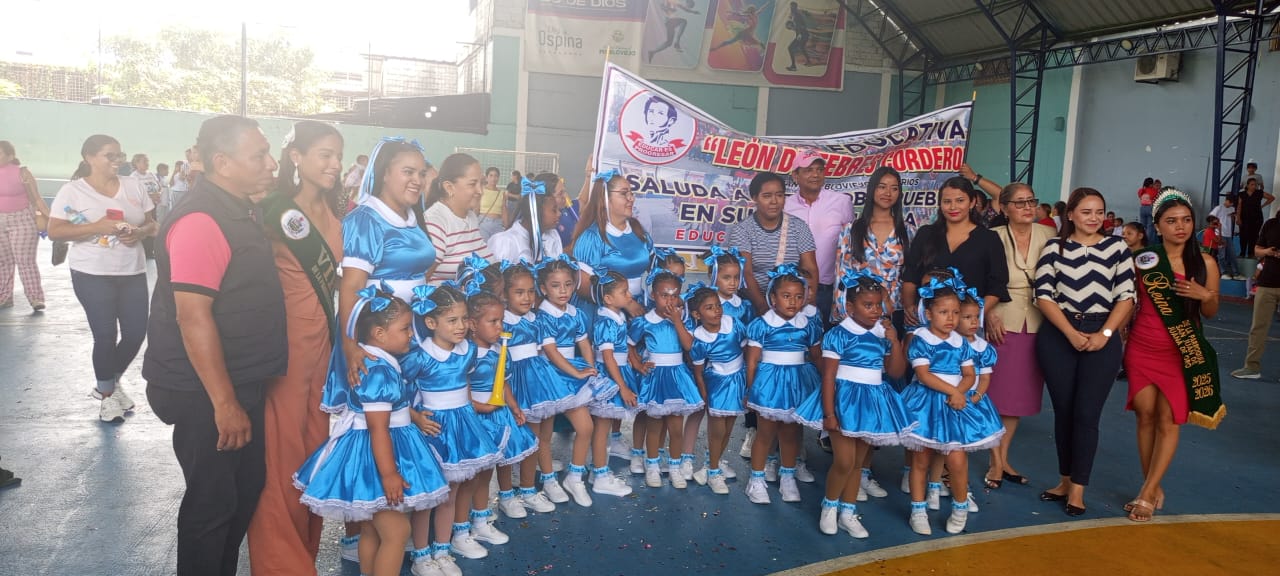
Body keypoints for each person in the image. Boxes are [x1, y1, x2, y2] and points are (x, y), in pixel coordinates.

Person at [143, 116, 285, 576]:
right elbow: (193, 316)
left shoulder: (237, 208)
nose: (271, 163)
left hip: (237, 378)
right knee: (212, 503)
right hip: (202, 388)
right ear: (222, 163)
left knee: (241, 491)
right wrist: (224, 404)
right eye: (259, 155)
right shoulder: (202, 220)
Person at [245, 121, 345, 576]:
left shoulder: (335, 212)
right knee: (281, 455)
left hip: (322, 347)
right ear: (296, 157)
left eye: (338, 155)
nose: (335, 164)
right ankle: (281, 564)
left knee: (313, 451)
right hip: (285, 348)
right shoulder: (272, 209)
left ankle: (304, 550)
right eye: (325, 154)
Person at [293, 289, 449, 576]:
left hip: (372, 453)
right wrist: (389, 474)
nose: (411, 335)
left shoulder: (379, 362)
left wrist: (412, 416)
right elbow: (378, 428)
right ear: (379, 333)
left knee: (371, 531)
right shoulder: (378, 371)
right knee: (397, 532)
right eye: (405, 328)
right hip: (377, 459)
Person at [1033, 187, 1135, 516]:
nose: (1094, 218)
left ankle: (1078, 488)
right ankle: (1064, 481)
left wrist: (1105, 334)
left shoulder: (1117, 248)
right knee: (1064, 412)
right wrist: (1069, 332)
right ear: (1071, 215)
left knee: (1087, 414)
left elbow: (1126, 296)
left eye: (1099, 212)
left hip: (1101, 334)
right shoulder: (1054, 247)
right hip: (1058, 335)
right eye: (1086, 211)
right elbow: (1043, 295)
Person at [1124, 189, 1223, 522]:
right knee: (1145, 414)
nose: (1180, 227)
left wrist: (1205, 294)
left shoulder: (1205, 262)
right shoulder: (1143, 260)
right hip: (1142, 345)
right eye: (1171, 221)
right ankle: (1150, 484)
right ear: (1157, 226)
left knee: (1168, 419)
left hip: (1181, 349)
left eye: (1186, 220)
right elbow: (1129, 302)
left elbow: (1210, 312)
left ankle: (1147, 492)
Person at [794, 269, 911, 538]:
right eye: (868, 305)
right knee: (844, 461)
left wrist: (894, 342)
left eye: (878, 305)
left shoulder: (883, 333)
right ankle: (829, 506)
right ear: (849, 307)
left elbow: (895, 372)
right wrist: (829, 413)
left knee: (858, 463)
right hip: (843, 400)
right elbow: (828, 376)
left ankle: (848, 513)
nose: (875, 311)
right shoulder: (839, 334)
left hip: (872, 400)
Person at [49, 134, 157, 423]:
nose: (117, 160)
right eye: (110, 155)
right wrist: (97, 227)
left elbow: (152, 224)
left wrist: (139, 232)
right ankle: (108, 397)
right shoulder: (73, 191)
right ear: (89, 157)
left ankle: (108, 382)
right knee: (106, 336)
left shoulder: (134, 185)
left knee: (135, 334)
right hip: (91, 273)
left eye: (120, 155)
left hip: (132, 271)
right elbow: (56, 230)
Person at [402, 284, 505, 567]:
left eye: (463, 319)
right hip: (434, 428)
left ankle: (443, 549)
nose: (461, 326)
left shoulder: (468, 350)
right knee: (429, 497)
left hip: (463, 424)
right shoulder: (420, 356)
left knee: (454, 492)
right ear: (431, 323)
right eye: (452, 320)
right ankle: (421, 556)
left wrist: (472, 407)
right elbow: (398, 392)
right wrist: (415, 417)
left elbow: (466, 383)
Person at [900, 276, 1002, 536]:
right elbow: (924, 375)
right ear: (928, 313)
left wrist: (960, 393)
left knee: (957, 460)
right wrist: (953, 392)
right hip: (926, 403)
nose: (951, 318)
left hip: (953, 403)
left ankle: (960, 507)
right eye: (944, 312)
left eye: (956, 313)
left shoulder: (960, 342)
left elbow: (969, 374)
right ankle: (918, 510)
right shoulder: (921, 339)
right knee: (921, 459)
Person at [982, 183, 1054, 490]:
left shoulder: (1049, 235)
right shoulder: (992, 237)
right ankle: (995, 461)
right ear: (1005, 208)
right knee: (996, 393)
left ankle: (1002, 458)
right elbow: (982, 280)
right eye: (1020, 202)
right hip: (1001, 320)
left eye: (1031, 201)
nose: (1027, 207)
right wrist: (988, 313)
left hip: (1037, 320)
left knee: (1017, 397)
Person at [500, 262, 580, 515]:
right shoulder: (502, 321)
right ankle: (509, 494)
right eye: (519, 292)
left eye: (530, 292)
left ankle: (529, 488)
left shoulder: (536, 319)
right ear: (504, 294)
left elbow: (546, 350)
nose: (526, 298)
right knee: (517, 442)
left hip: (540, 381)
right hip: (516, 383)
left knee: (539, 438)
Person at [743, 264, 822, 505]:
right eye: (786, 296)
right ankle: (756, 480)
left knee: (790, 434)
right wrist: (750, 391)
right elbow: (752, 361)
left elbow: (817, 356)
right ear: (773, 298)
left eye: (798, 296)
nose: (793, 302)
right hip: (769, 383)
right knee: (765, 434)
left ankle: (787, 477)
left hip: (797, 382)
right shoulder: (762, 324)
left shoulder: (808, 324)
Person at [529, 257, 605, 505]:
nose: (563, 291)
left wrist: (590, 368)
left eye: (568, 284)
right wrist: (576, 373)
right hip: (549, 376)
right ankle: (549, 479)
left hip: (572, 373)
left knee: (586, 428)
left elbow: (584, 343)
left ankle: (575, 476)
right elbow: (551, 353)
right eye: (555, 285)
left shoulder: (575, 313)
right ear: (543, 288)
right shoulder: (543, 317)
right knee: (545, 434)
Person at [464, 287, 539, 531]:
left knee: (504, 459)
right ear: (473, 325)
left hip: (499, 412)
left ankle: (503, 499)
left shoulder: (498, 350)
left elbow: (503, 382)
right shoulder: (468, 354)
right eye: (493, 321)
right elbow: (461, 390)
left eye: (501, 321)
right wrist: (479, 406)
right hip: (477, 417)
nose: (499, 327)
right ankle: (476, 516)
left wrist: (514, 407)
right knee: (481, 472)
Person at [902, 176, 1009, 329]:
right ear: (940, 204)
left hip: (969, 327)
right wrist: (909, 307)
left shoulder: (989, 238)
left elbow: (997, 285)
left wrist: (973, 315)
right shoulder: (926, 234)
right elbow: (911, 275)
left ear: (972, 202)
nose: (953, 207)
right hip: (926, 322)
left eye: (960, 200)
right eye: (947, 201)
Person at [633, 269, 705, 489]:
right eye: (664, 295)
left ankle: (674, 467)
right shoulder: (644, 321)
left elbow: (689, 346)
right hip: (656, 377)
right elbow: (629, 345)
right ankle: (652, 465)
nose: (670, 301)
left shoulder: (682, 320)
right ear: (653, 295)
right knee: (654, 426)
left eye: (674, 296)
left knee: (675, 427)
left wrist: (677, 321)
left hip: (677, 376)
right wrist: (638, 365)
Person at [685, 283, 747, 494]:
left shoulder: (734, 325)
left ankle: (711, 464)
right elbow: (698, 371)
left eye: (718, 305)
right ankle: (713, 472)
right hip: (717, 383)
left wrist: (748, 381)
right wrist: (704, 394)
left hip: (738, 379)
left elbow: (747, 351)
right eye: (709, 308)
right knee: (717, 430)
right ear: (697, 314)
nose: (717, 311)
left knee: (729, 427)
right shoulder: (700, 340)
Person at [584, 271, 640, 497]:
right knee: (602, 428)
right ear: (608, 298)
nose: (629, 295)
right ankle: (600, 476)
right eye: (624, 292)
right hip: (609, 377)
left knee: (604, 427)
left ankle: (598, 469)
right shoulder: (606, 322)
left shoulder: (617, 316)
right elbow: (608, 358)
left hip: (618, 371)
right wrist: (622, 387)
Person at [784, 149, 853, 329]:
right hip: (792, 288)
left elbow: (849, 245)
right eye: (809, 170)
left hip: (829, 289)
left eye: (820, 170)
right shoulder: (785, 206)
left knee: (827, 339)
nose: (815, 174)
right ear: (795, 176)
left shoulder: (842, 202)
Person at [423, 153, 494, 284]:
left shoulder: (470, 217)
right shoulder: (435, 222)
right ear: (449, 187)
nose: (480, 191)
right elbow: (421, 279)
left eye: (482, 183)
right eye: (472, 184)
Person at [1232, 206, 1280, 379]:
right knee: (1258, 328)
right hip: (1267, 283)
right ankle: (1251, 367)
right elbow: (1257, 250)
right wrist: (1268, 252)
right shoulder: (1270, 224)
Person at [0, 141, 48, 311]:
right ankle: (4, 297)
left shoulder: (22, 173)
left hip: (22, 220)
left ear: (10, 156)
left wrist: (50, 218)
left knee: (25, 261)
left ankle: (36, 298)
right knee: (3, 261)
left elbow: (37, 198)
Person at [489, 174, 564, 262]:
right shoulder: (506, 242)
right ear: (537, 211)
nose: (559, 214)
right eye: (554, 210)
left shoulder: (553, 236)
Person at [1236, 177, 1273, 257]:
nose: (1254, 186)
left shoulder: (1259, 193)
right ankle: (1242, 253)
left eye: (1255, 185)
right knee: (1243, 235)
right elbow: (1239, 206)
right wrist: (1238, 218)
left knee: (1254, 235)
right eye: (1252, 185)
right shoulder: (1242, 194)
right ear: (1247, 185)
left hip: (1256, 218)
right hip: (1244, 218)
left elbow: (1271, 198)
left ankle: (1251, 253)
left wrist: (1263, 206)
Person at [1210, 195, 1242, 279]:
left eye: (1232, 204)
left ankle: (1236, 273)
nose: (1231, 205)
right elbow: (1210, 218)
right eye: (1230, 203)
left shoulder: (1231, 209)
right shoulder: (1218, 208)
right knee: (1222, 255)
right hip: (1220, 234)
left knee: (1232, 254)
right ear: (1227, 200)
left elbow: (1234, 215)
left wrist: (1234, 215)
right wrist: (1216, 227)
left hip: (1228, 234)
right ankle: (1223, 272)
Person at [477, 166, 507, 240]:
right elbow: (476, 208)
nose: (493, 178)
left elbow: (504, 210)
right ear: (486, 177)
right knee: (484, 246)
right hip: (483, 224)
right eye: (491, 175)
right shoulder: (481, 190)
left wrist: (507, 226)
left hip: (498, 224)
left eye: (496, 176)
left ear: (498, 178)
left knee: (497, 246)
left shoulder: (502, 193)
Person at [784, 1, 812, 71]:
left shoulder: (796, 15)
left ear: (795, 7)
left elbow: (799, 26)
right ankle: (809, 61)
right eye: (790, 6)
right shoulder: (794, 15)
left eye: (792, 7)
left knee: (790, 48)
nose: (791, 8)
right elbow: (799, 26)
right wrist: (792, 27)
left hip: (802, 35)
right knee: (801, 47)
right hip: (804, 34)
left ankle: (793, 66)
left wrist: (799, 34)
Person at [1138, 177, 1158, 242]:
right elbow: (1156, 198)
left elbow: (1139, 196)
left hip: (1142, 208)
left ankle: (1142, 241)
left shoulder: (1141, 190)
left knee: (1143, 226)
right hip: (1150, 208)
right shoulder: (1154, 190)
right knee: (1150, 227)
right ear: (1150, 184)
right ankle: (1148, 242)